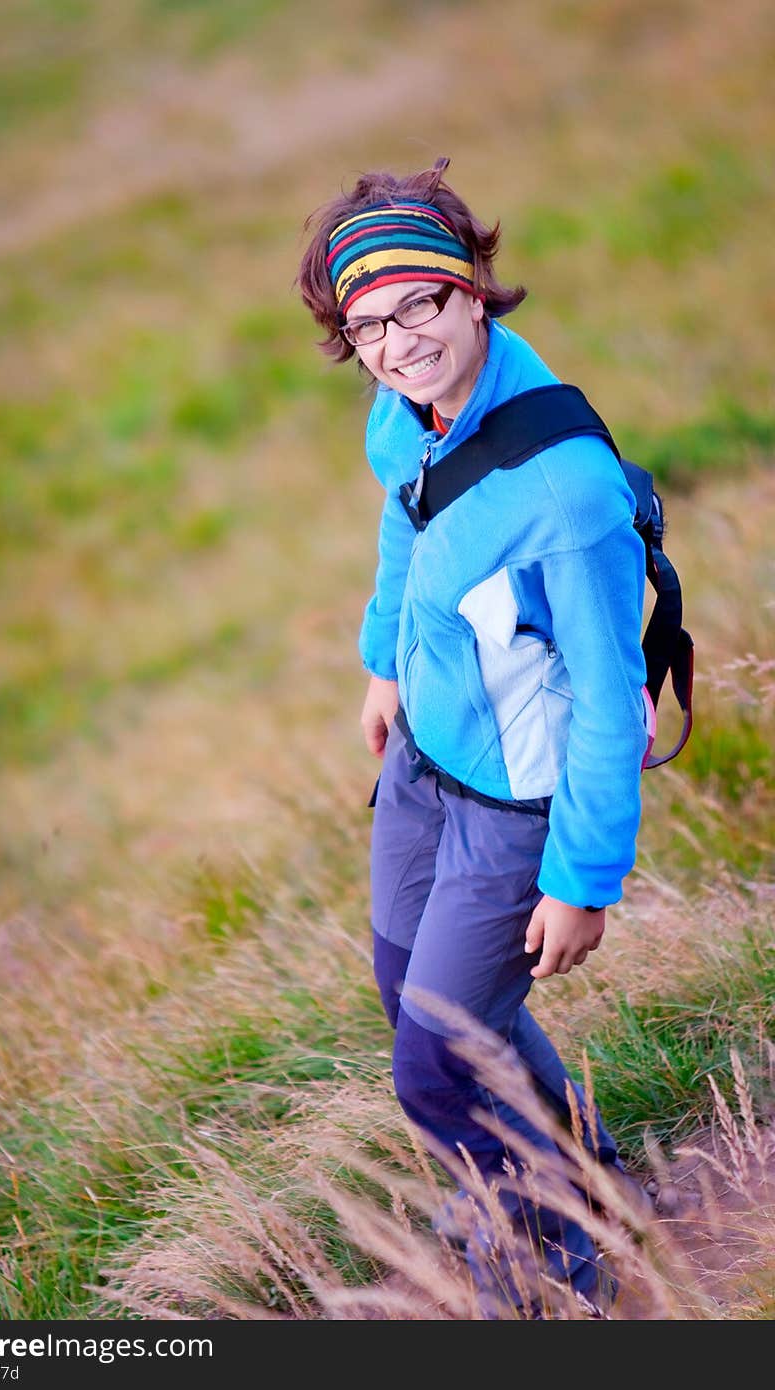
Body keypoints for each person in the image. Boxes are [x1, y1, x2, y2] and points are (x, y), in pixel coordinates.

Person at [297, 157, 650, 1314]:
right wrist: (385, 661)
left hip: (518, 808)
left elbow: (606, 699)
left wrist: (582, 879)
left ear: (472, 289)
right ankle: (585, 1172)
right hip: (423, 766)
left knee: (435, 1064)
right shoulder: (405, 412)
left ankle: (552, 1260)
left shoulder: (565, 491)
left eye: (419, 307)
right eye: (368, 328)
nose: (398, 343)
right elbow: (407, 530)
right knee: (420, 1003)